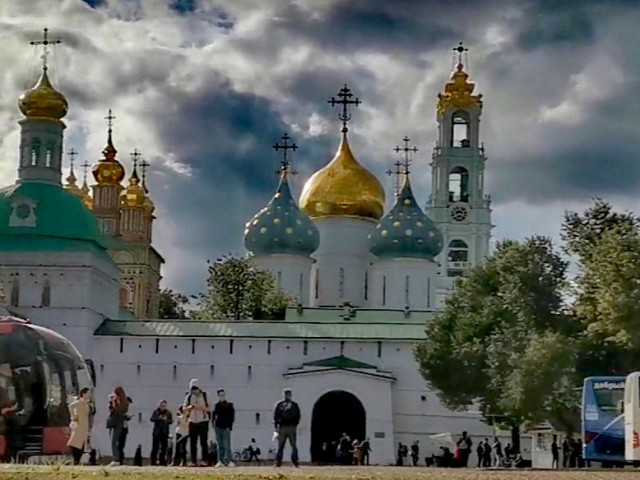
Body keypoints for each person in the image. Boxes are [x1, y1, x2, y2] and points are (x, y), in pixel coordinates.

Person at [183, 379, 210, 466]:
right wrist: (190, 407)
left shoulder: (206, 396)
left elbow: (211, 408)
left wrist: (201, 408)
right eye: (193, 389)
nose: (195, 391)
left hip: (203, 421)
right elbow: (184, 408)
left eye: (196, 388)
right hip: (192, 421)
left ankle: (204, 460)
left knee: (203, 442)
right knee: (192, 442)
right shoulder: (189, 397)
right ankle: (193, 461)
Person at [273, 388, 300, 467]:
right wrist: (276, 426)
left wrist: (295, 424)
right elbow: (276, 415)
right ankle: (278, 462)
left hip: (291, 427)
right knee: (280, 446)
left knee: (293, 446)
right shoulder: (280, 405)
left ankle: (295, 461)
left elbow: (298, 415)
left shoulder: (294, 405)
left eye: (288, 394)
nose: (287, 396)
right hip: (282, 427)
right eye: (285, 394)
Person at [67, 388, 92, 465]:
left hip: (85, 425)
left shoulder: (87, 404)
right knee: (76, 443)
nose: (89, 395)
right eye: (88, 393)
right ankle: (76, 460)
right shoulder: (78, 403)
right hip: (79, 425)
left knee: (82, 444)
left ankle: (77, 460)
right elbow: (70, 406)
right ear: (83, 394)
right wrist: (73, 417)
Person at [211, 388, 235, 468]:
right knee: (219, 445)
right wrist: (213, 425)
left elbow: (232, 417)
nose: (222, 397)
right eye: (220, 395)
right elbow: (213, 416)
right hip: (218, 427)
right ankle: (220, 460)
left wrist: (230, 426)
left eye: (223, 395)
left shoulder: (229, 405)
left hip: (226, 427)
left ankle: (229, 460)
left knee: (227, 445)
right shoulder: (216, 406)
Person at [107, 386, 130, 466]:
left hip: (117, 423)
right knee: (119, 443)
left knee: (114, 442)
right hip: (121, 423)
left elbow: (114, 410)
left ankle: (116, 458)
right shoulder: (125, 401)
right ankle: (119, 459)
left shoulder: (118, 401)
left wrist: (112, 401)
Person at [150, 399, 173, 466]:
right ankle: (153, 462)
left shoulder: (168, 413)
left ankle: (162, 462)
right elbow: (152, 419)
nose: (162, 407)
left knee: (163, 448)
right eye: (161, 405)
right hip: (156, 433)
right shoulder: (156, 412)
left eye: (164, 405)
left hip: (165, 433)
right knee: (155, 448)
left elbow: (171, 421)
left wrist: (166, 420)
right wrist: (158, 418)